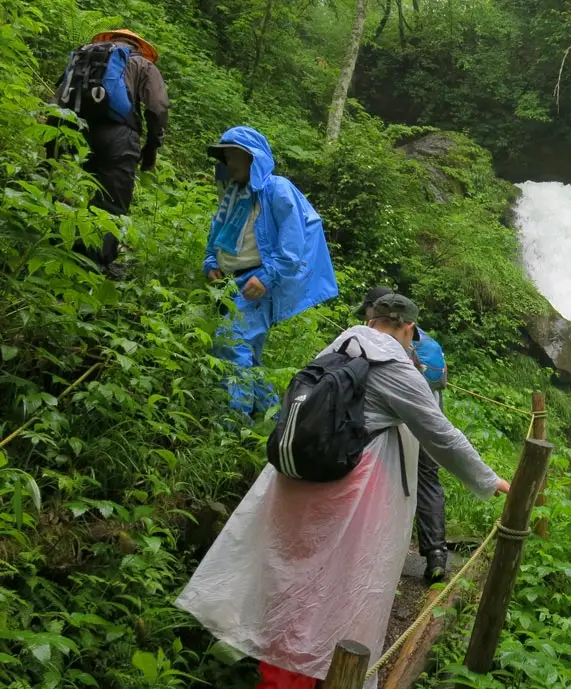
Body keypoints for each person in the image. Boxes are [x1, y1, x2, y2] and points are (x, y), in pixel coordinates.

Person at [175, 292, 510, 689]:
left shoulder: (337, 348)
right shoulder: (394, 368)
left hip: (295, 485)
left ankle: (278, 673)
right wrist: (494, 482)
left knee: (292, 586)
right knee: (329, 595)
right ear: (408, 328)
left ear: (370, 321)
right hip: (344, 500)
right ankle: (317, 677)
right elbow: (442, 435)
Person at [205, 125, 338, 418]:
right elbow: (218, 230)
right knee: (247, 354)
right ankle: (273, 418)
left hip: (257, 283)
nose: (228, 163)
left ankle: (233, 422)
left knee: (231, 341)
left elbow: (293, 244)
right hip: (232, 282)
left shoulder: (276, 189)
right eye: (225, 157)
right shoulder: (233, 194)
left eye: (234, 156)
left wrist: (267, 277)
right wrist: (211, 262)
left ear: (252, 158)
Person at [48, 29, 169, 268]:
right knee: (110, 203)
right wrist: (151, 149)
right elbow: (157, 107)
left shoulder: (83, 59)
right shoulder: (143, 64)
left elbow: (58, 100)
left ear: (109, 40)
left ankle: (55, 251)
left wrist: (51, 146)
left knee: (70, 190)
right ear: (138, 46)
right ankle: (95, 268)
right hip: (119, 136)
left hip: (72, 129)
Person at [358, 287, 448, 583]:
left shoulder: (371, 341)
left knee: (384, 483)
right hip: (429, 421)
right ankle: (436, 556)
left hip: (394, 427)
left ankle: (379, 560)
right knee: (427, 481)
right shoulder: (426, 341)